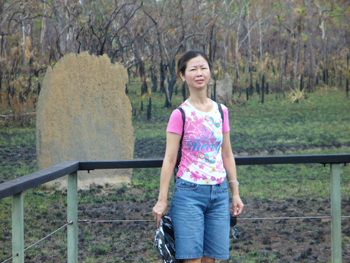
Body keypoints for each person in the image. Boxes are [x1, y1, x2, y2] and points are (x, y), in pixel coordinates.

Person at [152, 50, 244, 263]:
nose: (199, 73)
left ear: (210, 72)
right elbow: (169, 159)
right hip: (188, 195)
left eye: (203, 67)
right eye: (193, 69)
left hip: (219, 195)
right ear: (183, 76)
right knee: (191, 260)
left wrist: (235, 193)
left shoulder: (221, 111)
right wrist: (161, 200)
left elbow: (227, 154)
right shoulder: (180, 114)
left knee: (210, 260)